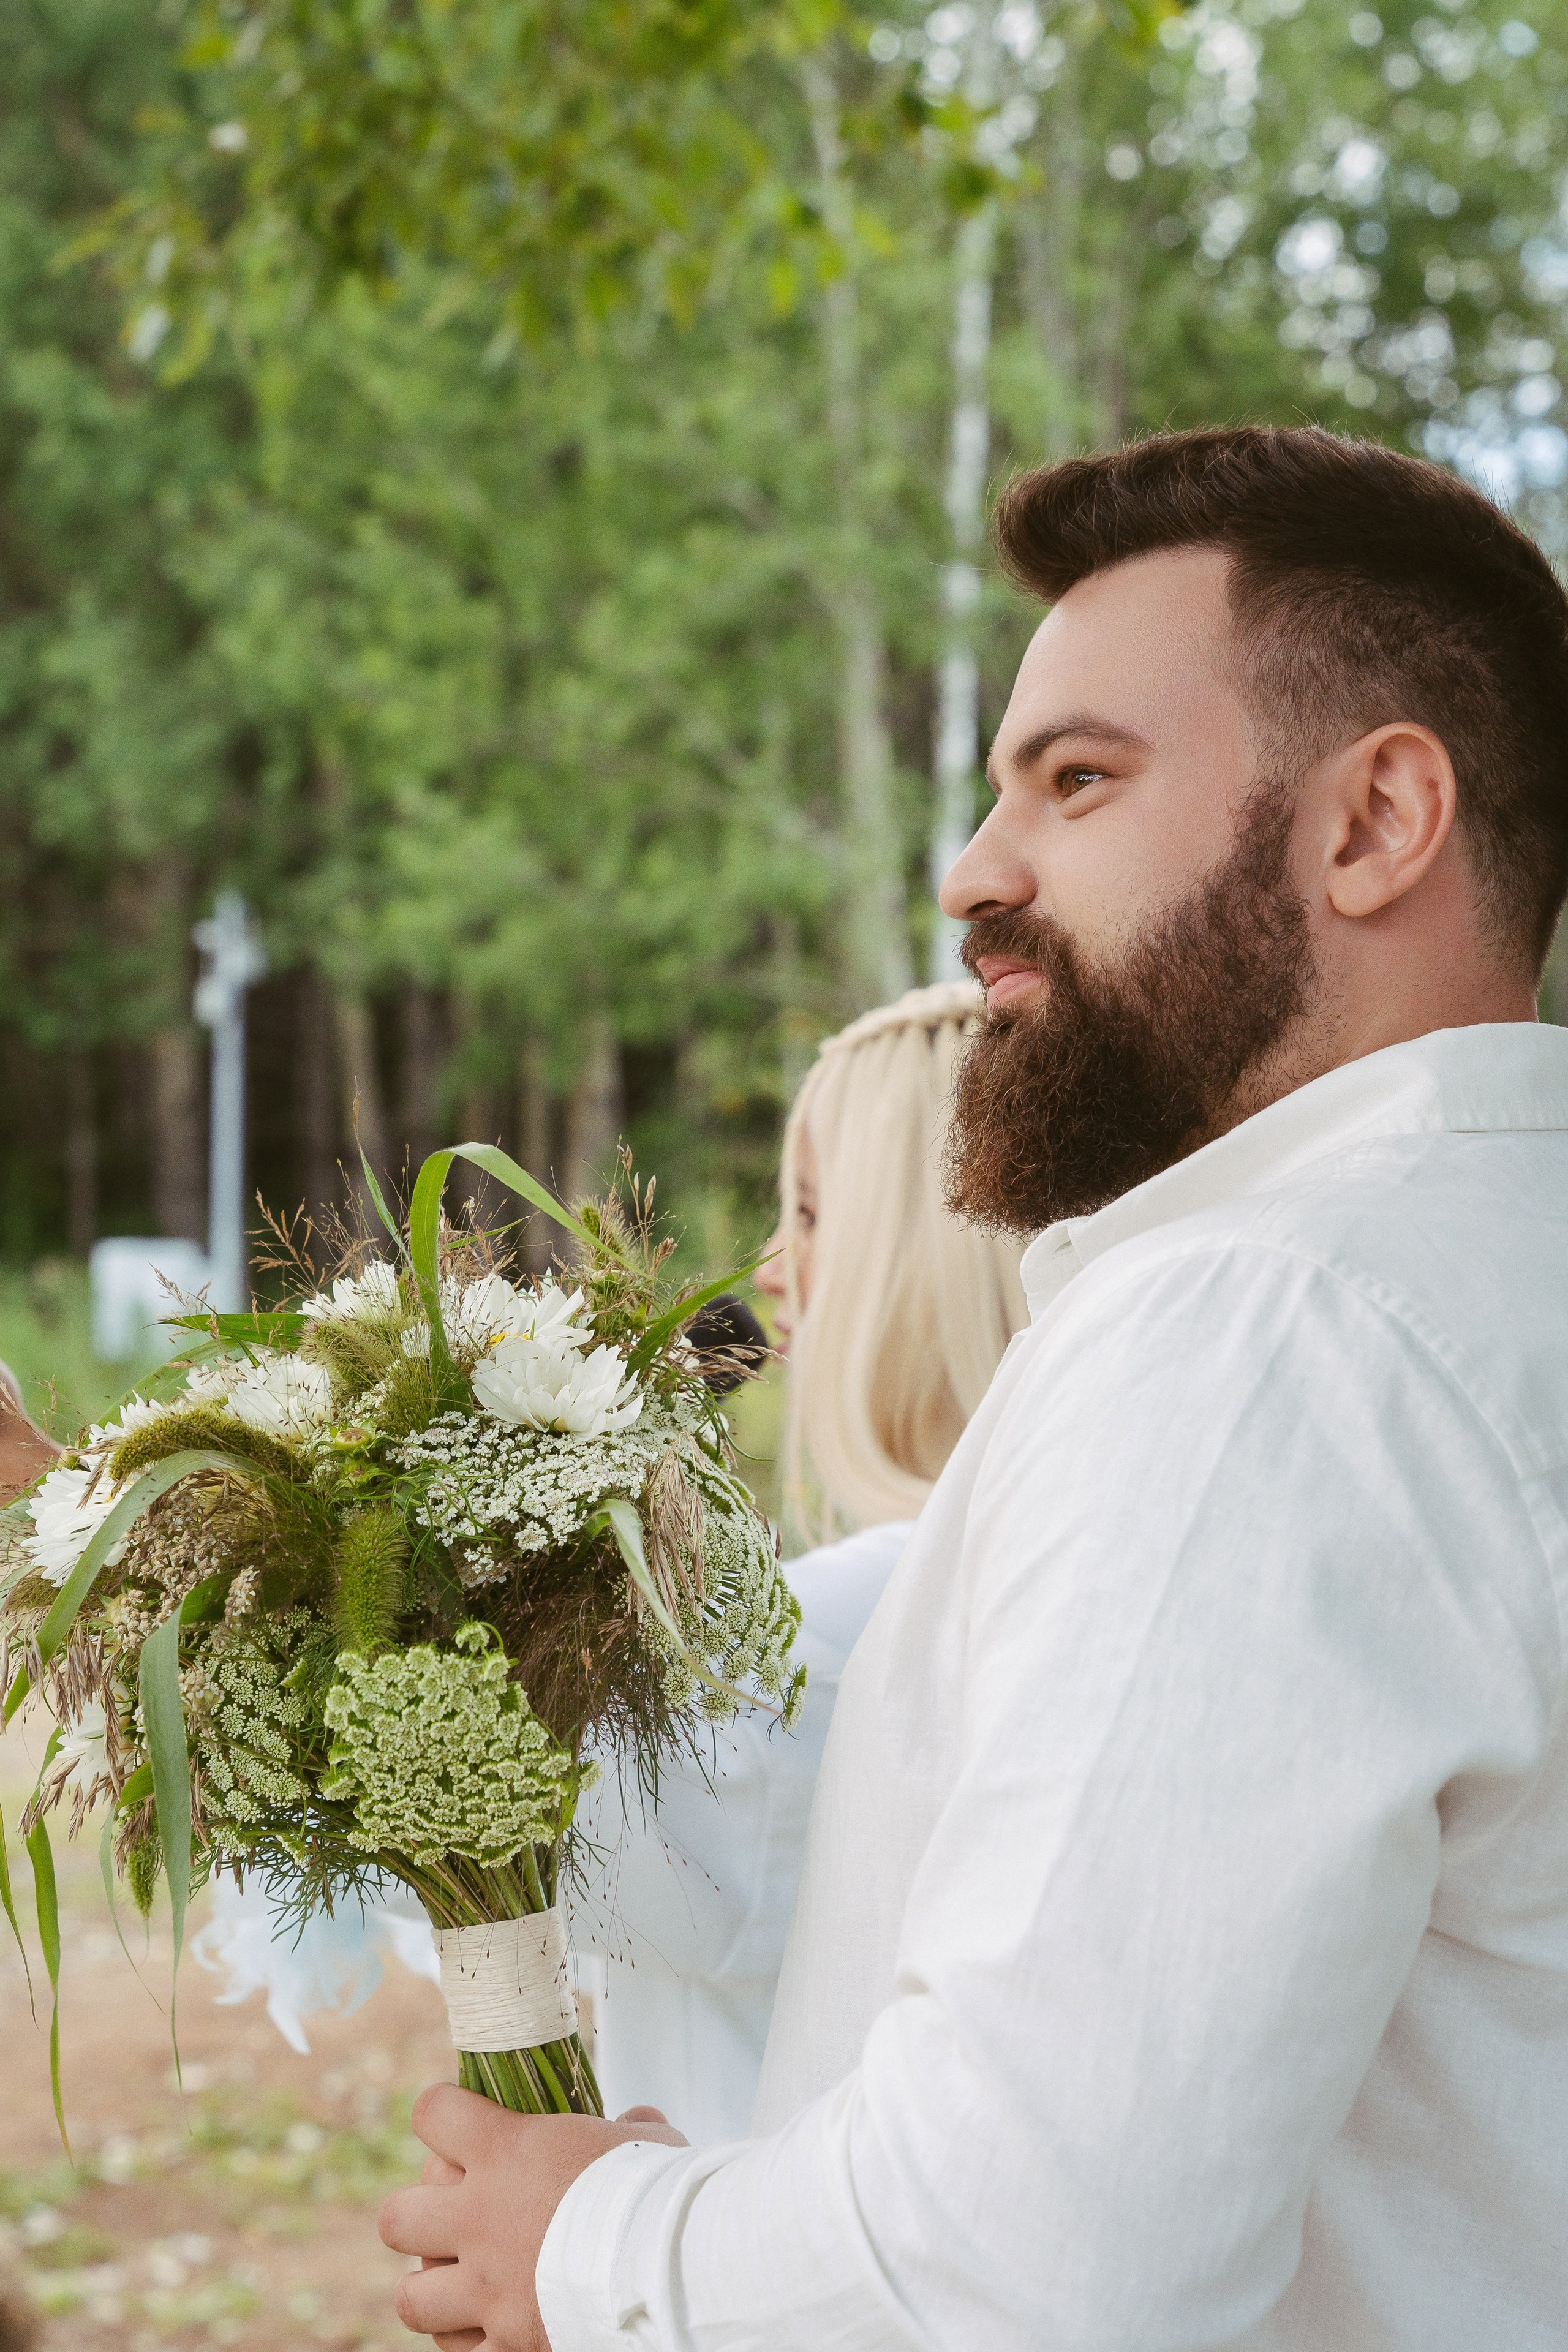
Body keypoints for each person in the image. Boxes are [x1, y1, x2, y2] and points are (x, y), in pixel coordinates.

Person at [383, 425, 1568, 2352]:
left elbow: (1032, 2267)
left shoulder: (1260, 1336)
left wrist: (593, 2250)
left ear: (1374, 821)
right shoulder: (1495, 1275)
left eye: (1080, 781)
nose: (973, 873)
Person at [571, 981, 1028, 2143]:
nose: (773, 1271)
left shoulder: (840, 1630)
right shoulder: (1031, 1562)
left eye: (817, 1215)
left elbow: (464, 1807)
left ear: (924, 1254)